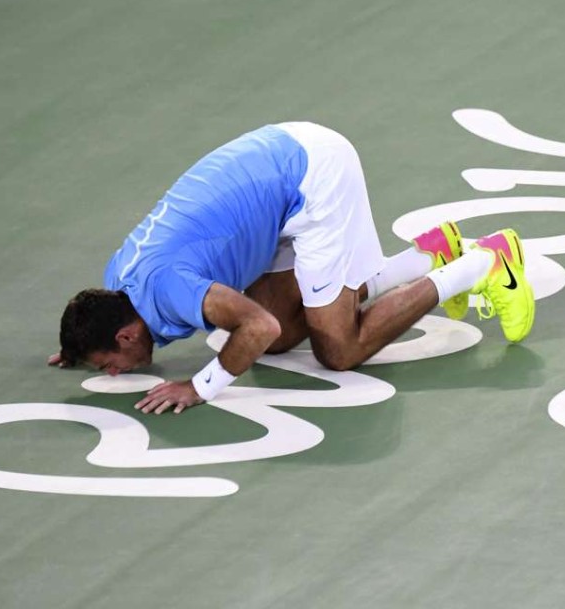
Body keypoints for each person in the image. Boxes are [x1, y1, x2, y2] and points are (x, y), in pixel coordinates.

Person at [48, 121, 535, 414]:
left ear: (127, 336)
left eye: (106, 363)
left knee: (337, 349)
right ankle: (429, 254)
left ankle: (487, 262)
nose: (112, 373)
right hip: (274, 170)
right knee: (283, 339)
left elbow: (254, 326)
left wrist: (200, 387)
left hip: (308, 178)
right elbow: (268, 331)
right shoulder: (118, 286)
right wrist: (77, 345)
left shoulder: (170, 290)